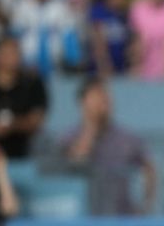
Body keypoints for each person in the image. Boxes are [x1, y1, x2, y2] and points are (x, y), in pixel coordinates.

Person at [60, 78, 156, 216]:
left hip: (122, 219)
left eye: (105, 96)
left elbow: (149, 168)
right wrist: (91, 126)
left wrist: (145, 207)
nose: (103, 102)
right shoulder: (69, 138)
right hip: (82, 218)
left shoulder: (127, 139)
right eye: (97, 96)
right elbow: (77, 161)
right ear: (83, 102)